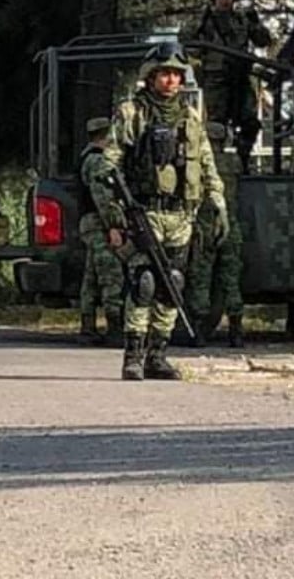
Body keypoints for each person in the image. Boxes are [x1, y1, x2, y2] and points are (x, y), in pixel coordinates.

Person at [100, 43, 226, 381]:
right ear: (150, 77)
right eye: (164, 74)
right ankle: (133, 356)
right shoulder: (132, 113)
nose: (170, 80)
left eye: (175, 74)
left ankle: (158, 354)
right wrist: (115, 217)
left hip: (181, 216)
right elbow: (108, 167)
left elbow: (208, 163)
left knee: (172, 284)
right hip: (145, 213)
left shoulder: (190, 117)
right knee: (144, 283)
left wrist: (218, 202)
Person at [186, 0, 273, 172]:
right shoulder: (206, 22)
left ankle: (243, 156)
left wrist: (255, 22)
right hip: (216, 78)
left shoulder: (242, 20)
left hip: (241, 76)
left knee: (250, 122)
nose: (225, 1)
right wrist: (199, 23)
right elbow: (190, 46)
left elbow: (263, 41)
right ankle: (214, 165)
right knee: (216, 125)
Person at [186, 123, 245, 348]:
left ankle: (200, 332)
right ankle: (236, 332)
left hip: (205, 227)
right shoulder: (234, 162)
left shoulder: (200, 164)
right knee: (231, 280)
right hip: (230, 225)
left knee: (201, 279)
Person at [77, 117, 124, 346]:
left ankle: (88, 327)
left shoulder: (86, 157)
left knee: (92, 276)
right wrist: (113, 226)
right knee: (110, 275)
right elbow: (102, 197)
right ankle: (114, 328)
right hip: (100, 224)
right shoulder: (97, 161)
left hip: (92, 223)